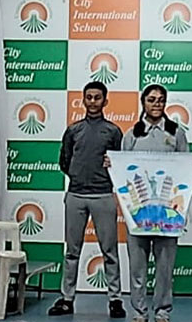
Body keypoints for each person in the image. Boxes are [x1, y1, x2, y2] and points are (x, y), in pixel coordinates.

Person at [119, 84, 192, 322]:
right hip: (138, 212)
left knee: (165, 266)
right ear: (143, 102)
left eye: (161, 100)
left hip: (167, 212)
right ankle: (139, 311)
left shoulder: (176, 133)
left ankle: (163, 310)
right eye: (151, 99)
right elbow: (122, 170)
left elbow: (187, 168)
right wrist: (111, 164)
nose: (156, 104)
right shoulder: (131, 134)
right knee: (137, 265)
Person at [49, 81, 126, 318]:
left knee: (110, 251)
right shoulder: (73, 130)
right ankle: (67, 299)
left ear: (105, 101)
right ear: (83, 100)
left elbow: (119, 164)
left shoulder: (113, 131)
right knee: (72, 251)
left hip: (103, 195)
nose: (93, 101)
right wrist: (78, 176)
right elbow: (64, 161)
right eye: (89, 97)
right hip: (75, 196)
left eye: (97, 97)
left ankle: (115, 300)